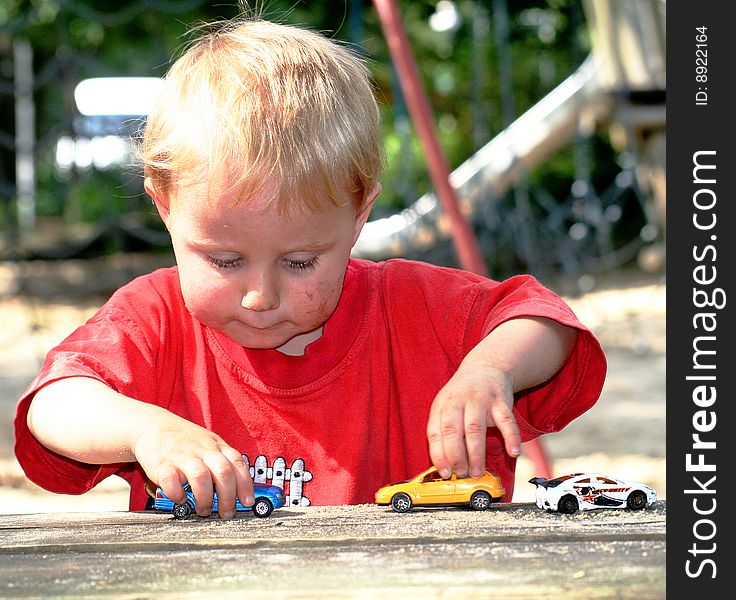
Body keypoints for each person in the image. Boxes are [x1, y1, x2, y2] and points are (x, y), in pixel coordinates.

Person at [14, 17, 606, 519]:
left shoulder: (417, 309)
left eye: (300, 261)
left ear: (358, 216)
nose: (259, 296)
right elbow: (54, 405)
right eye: (224, 260)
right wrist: (147, 431)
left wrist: (490, 370)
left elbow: (545, 321)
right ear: (164, 208)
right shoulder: (156, 320)